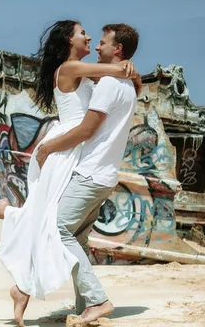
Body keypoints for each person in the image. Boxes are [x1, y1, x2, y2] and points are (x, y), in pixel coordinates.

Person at [0, 20, 141, 327]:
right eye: (82, 33)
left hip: (75, 149)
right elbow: (115, 72)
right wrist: (128, 68)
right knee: (52, 222)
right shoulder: (68, 69)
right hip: (64, 147)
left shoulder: (87, 70)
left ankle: (23, 281)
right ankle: (11, 213)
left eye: (96, 37)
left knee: (53, 224)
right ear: (68, 40)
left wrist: (128, 70)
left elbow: (114, 75)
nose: (90, 37)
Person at [35, 23, 140, 325]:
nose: (94, 43)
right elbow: (125, 77)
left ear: (117, 49)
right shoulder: (119, 83)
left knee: (58, 228)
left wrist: (47, 148)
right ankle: (87, 308)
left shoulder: (105, 82)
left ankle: (97, 300)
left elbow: (86, 129)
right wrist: (130, 71)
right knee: (77, 237)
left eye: (102, 41)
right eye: (86, 35)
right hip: (105, 174)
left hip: (90, 171)